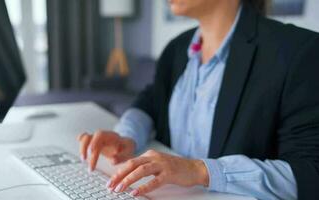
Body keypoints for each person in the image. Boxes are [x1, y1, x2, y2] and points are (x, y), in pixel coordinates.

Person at [78, 0, 319, 199]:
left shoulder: (298, 51)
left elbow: (311, 174)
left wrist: (199, 170)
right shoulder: (176, 49)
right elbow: (150, 102)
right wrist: (126, 136)